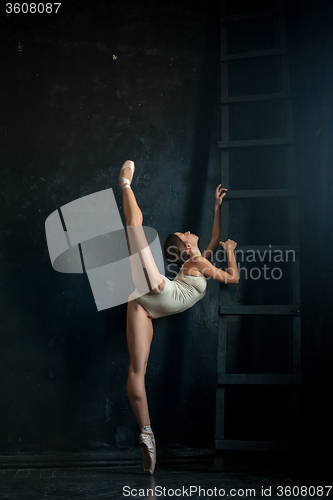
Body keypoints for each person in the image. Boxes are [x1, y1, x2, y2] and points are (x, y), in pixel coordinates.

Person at [119, 160, 239, 474]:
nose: (189, 231)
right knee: (134, 230)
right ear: (187, 245)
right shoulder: (197, 264)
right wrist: (231, 251)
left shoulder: (197, 262)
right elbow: (232, 278)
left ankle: (147, 434)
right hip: (160, 292)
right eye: (185, 233)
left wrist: (216, 209)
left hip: (146, 305)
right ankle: (125, 184)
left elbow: (211, 240)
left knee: (137, 368)